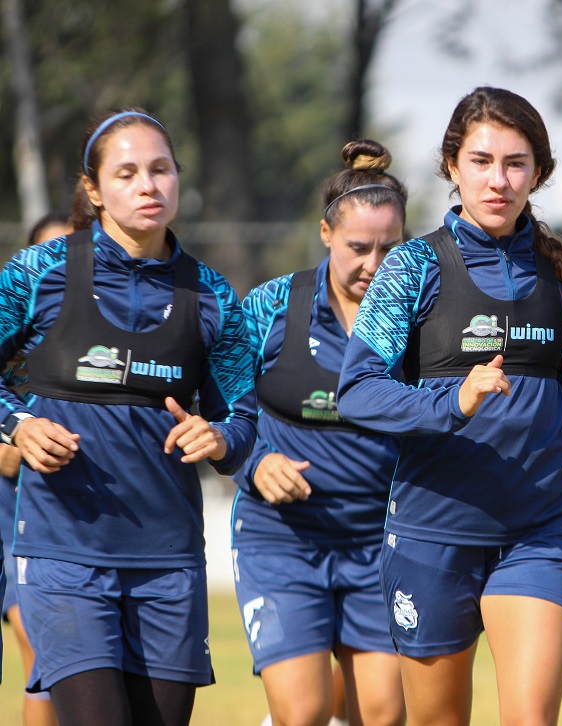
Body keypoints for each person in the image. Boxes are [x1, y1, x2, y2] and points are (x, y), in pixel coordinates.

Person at [337, 86, 562, 726]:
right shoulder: (413, 267)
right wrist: (453, 400)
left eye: (516, 163)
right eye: (481, 161)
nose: (499, 180)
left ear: (538, 173)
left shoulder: (559, 272)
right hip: (432, 534)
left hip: (538, 531)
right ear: (452, 166)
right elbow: (356, 391)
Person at [0, 108, 258, 725]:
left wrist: (218, 436)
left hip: (169, 562)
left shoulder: (213, 297)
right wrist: (19, 424)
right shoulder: (37, 274)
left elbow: (243, 419)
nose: (148, 185)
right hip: (64, 554)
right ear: (93, 189)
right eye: (127, 173)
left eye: (161, 169)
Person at [232, 138, 407, 726]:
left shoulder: (421, 317)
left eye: (390, 247)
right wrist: (254, 462)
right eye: (358, 247)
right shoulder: (272, 306)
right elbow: (219, 403)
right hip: (282, 540)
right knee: (304, 712)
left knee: (383, 714)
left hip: (381, 545)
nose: (374, 265)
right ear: (327, 234)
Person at [0, 210, 72, 726]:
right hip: (11, 517)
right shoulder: (12, 329)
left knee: (46, 659)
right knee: (40, 649)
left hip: (66, 518)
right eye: (50, 253)